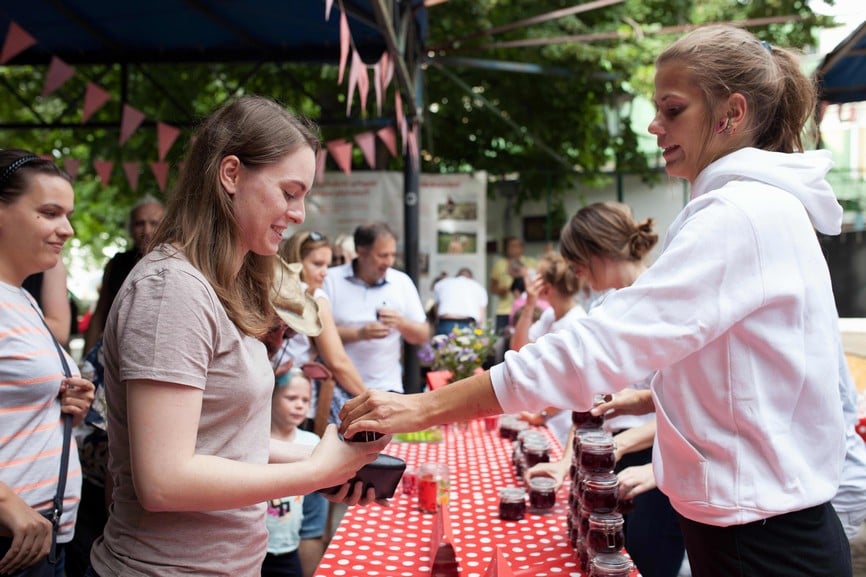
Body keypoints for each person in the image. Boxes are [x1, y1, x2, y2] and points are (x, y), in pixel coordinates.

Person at [340, 26, 852, 576]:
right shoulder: (749, 208)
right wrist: (654, 395)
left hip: (761, 541)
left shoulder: (740, 214)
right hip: (756, 528)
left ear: (732, 112)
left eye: (672, 109)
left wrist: (422, 406)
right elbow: (730, 368)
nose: (655, 126)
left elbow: (596, 347)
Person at [85, 95, 389, 577]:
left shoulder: (218, 286)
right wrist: (314, 471)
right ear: (230, 174)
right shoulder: (171, 291)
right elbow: (164, 480)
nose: (299, 213)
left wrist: (330, 457)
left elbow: (225, 442)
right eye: (289, 192)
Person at [519, 204, 684, 577]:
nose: (574, 271)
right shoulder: (607, 303)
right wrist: (566, 465)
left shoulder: (663, 299)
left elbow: (684, 405)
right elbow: (590, 398)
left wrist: (617, 448)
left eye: (576, 260)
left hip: (657, 461)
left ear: (598, 250)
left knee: (645, 560)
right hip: (609, 456)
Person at [0, 149, 95, 575]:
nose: (68, 229)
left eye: (67, 214)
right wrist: (7, 504)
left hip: (43, 535)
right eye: (50, 212)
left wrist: (65, 402)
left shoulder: (22, 299)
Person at [322, 222, 429, 394]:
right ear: (361, 252)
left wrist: (401, 323)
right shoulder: (331, 280)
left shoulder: (401, 282)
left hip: (388, 389)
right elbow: (316, 335)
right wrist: (359, 334)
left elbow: (422, 334)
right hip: (339, 390)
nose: (389, 262)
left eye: (393, 255)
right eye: (383, 255)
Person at [509, 251, 586, 446]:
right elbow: (518, 349)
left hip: (562, 424)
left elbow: (573, 386)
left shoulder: (576, 323)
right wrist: (529, 307)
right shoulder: (550, 315)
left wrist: (542, 414)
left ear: (546, 287)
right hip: (545, 415)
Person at [82, 195, 164, 354]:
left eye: (154, 223)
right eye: (140, 223)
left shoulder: (178, 263)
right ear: (130, 229)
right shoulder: (117, 264)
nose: (146, 230)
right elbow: (100, 313)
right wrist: (86, 361)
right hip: (117, 353)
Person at [263, 368, 320, 577]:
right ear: (271, 396)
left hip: (289, 548)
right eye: (291, 398)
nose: (299, 405)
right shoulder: (256, 439)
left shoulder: (312, 442)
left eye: (305, 400)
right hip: (255, 547)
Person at [489, 236, 537, 334]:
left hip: (524, 309)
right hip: (504, 311)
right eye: (511, 246)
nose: (514, 249)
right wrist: (500, 290)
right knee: (502, 341)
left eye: (517, 246)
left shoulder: (531, 263)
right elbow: (492, 287)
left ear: (522, 248)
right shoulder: (499, 264)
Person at [431, 267, 488, 336]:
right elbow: (481, 316)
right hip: (468, 324)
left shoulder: (442, 283)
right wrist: (480, 332)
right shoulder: (479, 287)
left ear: (457, 275)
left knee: (443, 345)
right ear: (471, 278)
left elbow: (436, 307)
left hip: (445, 322)